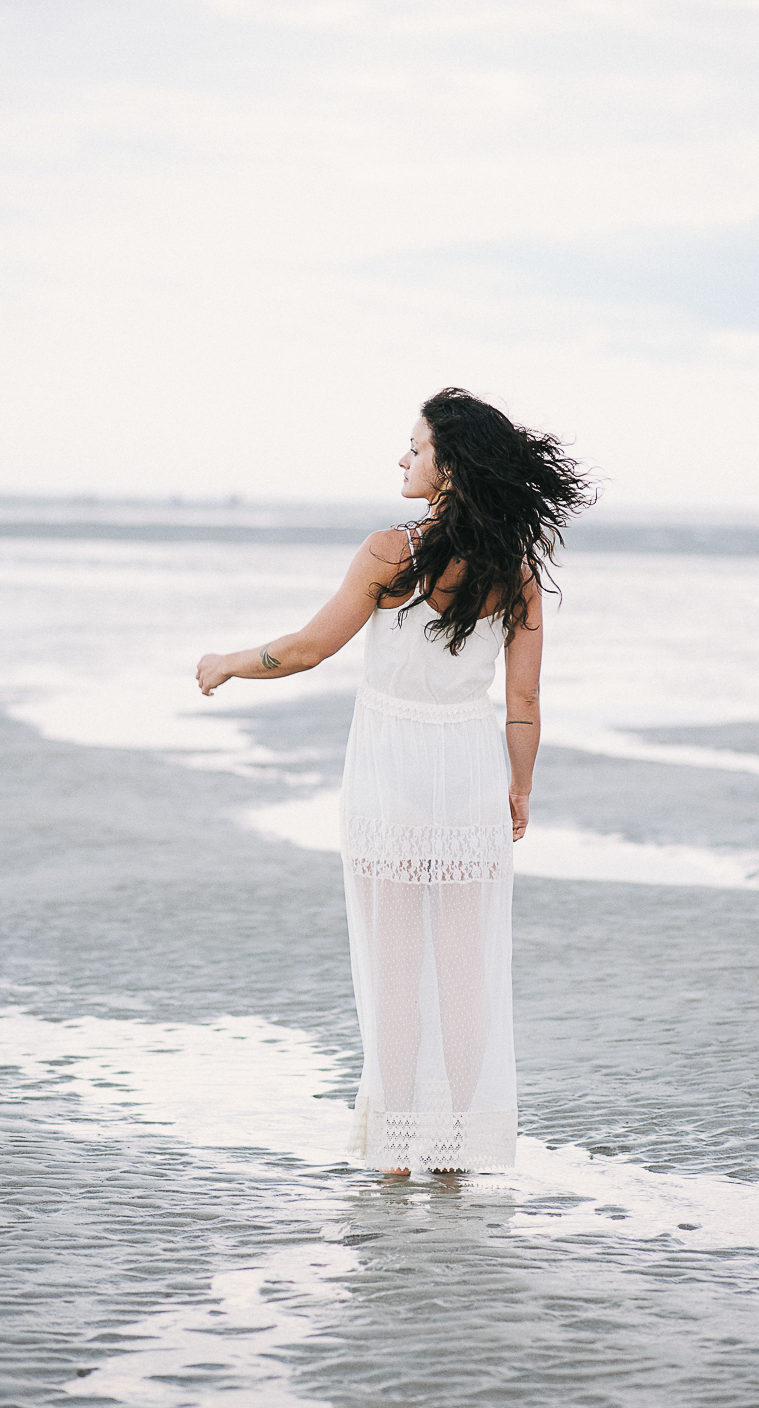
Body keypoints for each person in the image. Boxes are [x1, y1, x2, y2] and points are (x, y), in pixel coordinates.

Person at [196, 388, 593, 1174]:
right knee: (464, 968)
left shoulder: (391, 552)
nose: (403, 459)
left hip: (391, 776)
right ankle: (454, 1149)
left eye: (415, 447)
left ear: (450, 466)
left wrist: (228, 663)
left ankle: (397, 1152)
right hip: (473, 775)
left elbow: (310, 648)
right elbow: (524, 701)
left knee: (395, 966)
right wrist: (520, 788)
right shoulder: (514, 573)